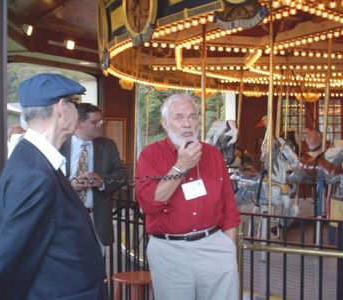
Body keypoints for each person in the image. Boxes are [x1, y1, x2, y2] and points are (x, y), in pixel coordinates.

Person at [0, 73, 108, 300]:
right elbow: (10, 264)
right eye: (74, 103)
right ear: (62, 109)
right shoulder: (34, 174)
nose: (75, 110)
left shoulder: (36, 161)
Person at [135, 94, 240, 300]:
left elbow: (229, 207)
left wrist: (228, 247)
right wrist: (181, 166)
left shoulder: (213, 154)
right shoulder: (151, 155)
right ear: (165, 123)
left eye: (192, 117)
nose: (187, 124)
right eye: (179, 117)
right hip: (170, 250)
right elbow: (149, 203)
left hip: (214, 246)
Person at [61, 103, 128, 249]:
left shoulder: (107, 145)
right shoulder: (60, 145)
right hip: (65, 217)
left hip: (95, 218)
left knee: (97, 264)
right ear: (79, 124)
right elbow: (47, 178)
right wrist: (70, 185)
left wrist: (101, 181)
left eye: (100, 121)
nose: (99, 125)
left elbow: (122, 174)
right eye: (94, 122)